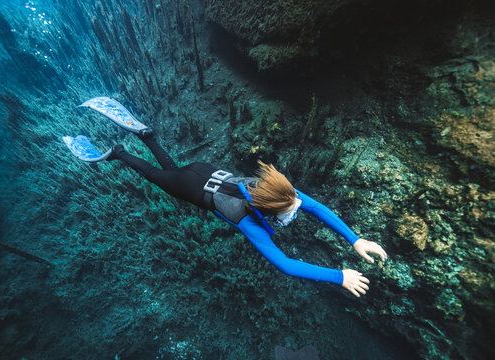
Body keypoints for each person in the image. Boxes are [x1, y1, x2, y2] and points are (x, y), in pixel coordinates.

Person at [66, 97, 387, 297]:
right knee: (155, 175)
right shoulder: (251, 223)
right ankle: (118, 152)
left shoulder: (276, 192)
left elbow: (315, 206)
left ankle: (148, 137)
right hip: (190, 189)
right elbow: (287, 265)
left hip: (202, 171)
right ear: (271, 210)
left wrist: (355, 240)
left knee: (173, 170)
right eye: (290, 211)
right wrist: (339, 276)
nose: (297, 208)